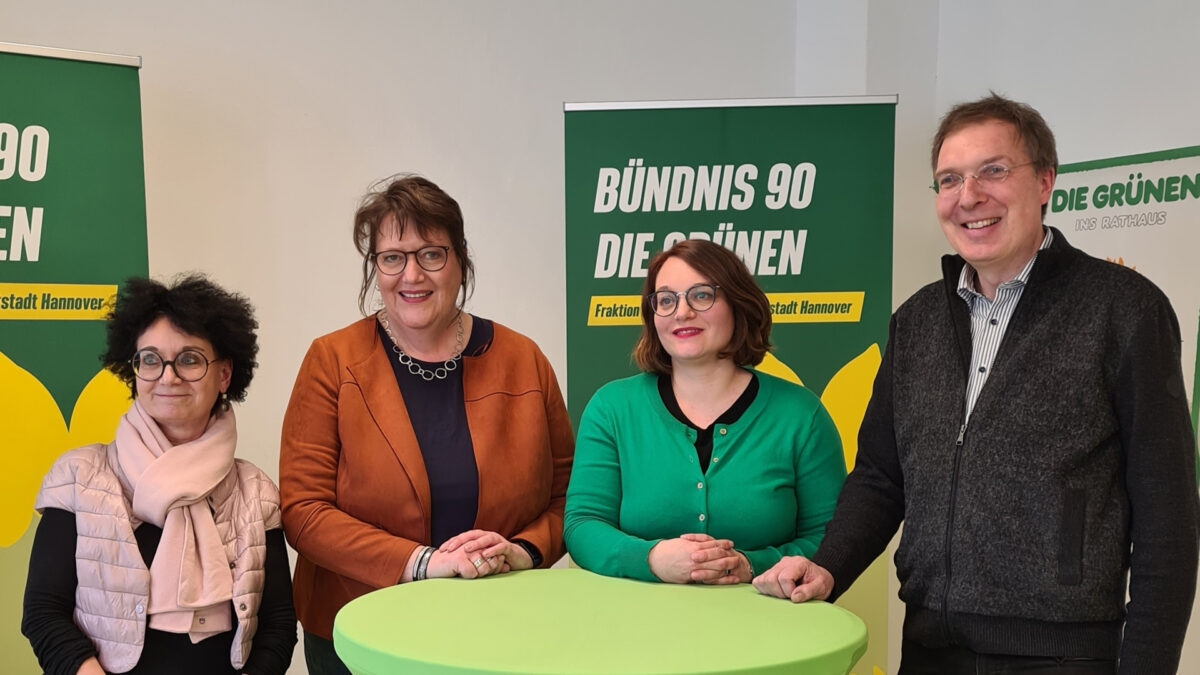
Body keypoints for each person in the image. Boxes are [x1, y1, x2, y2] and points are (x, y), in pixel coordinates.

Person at [753, 94, 1200, 673]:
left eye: (993, 171)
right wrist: (828, 565)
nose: (969, 197)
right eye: (949, 179)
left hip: (1063, 653)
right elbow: (881, 477)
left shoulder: (1124, 309)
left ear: (1044, 181)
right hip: (930, 646)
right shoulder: (916, 321)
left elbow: (1168, 514)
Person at [279, 174, 574, 674]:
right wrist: (423, 562)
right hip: (359, 628)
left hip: (501, 621)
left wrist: (523, 551)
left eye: (430, 254)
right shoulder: (332, 360)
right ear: (376, 268)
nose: (410, 275)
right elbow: (304, 511)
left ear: (460, 261)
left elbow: (570, 497)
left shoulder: (523, 360)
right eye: (392, 258)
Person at [21, 275, 296, 675]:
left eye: (189, 359)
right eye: (150, 359)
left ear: (224, 375)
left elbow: (277, 627)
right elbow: (44, 614)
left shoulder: (256, 493)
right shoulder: (78, 478)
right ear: (132, 372)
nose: (168, 377)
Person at [564, 239, 846, 584]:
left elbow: (831, 538)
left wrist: (750, 565)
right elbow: (582, 526)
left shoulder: (802, 415)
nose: (682, 312)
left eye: (701, 295)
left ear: (737, 303)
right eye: (666, 300)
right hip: (633, 628)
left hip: (771, 628)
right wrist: (651, 559)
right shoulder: (611, 409)